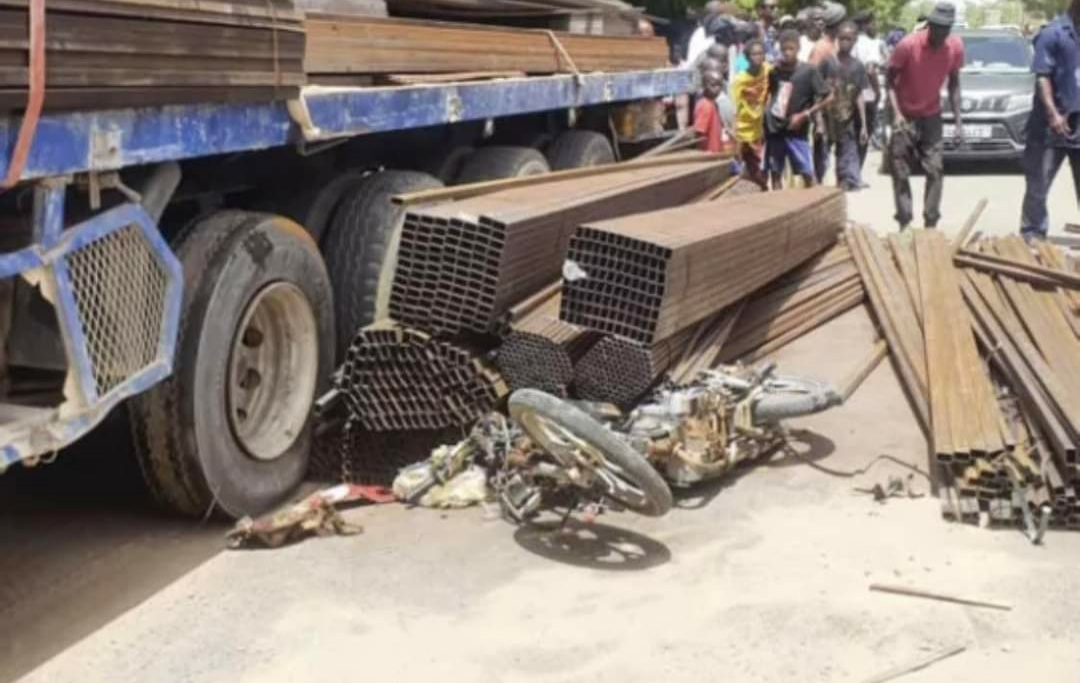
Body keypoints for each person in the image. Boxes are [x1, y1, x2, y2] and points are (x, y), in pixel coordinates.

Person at [886, 2, 964, 230]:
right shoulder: (907, 45)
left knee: (935, 169)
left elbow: (955, 84)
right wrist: (897, 114)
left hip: (931, 115)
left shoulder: (955, 47)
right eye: (937, 28)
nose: (941, 34)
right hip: (905, 115)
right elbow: (889, 81)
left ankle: (931, 222)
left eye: (946, 30)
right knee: (900, 170)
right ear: (930, 26)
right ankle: (904, 221)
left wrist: (958, 122)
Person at [1019, 0, 1080, 241]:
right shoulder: (1052, 34)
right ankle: (1033, 233)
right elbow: (1042, 77)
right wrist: (1053, 114)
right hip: (1048, 127)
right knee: (1038, 185)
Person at [765, 29, 833, 189]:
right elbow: (772, 95)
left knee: (807, 173)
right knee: (775, 174)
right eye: (784, 49)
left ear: (798, 49)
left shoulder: (808, 71)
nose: (787, 53)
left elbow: (829, 96)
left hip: (797, 131)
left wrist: (806, 114)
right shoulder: (775, 72)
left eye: (791, 49)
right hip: (775, 129)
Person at [829, 22, 870, 190]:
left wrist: (864, 125)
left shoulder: (857, 66)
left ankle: (846, 179)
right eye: (842, 38)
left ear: (855, 41)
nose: (845, 42)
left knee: (847, 148)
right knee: (827, 150)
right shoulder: (829, 63)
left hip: (848, 116)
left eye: (849, 39)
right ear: (837, 39)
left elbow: (859, 95)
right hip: (829, 116)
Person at [809, 2, 845, 185]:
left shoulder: (838, 45)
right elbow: (813, 82)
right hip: (823, 108)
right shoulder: (821, 48)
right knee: (822, 153)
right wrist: (818, 120)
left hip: (838, 109)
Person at [732, 39, 772, 187]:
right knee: (746, 166)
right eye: (754, 54)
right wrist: (735, 133)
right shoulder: (740, 80)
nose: (758, 57)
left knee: (762, 165)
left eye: (761, 54)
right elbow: (735, 108)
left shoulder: (768, 70)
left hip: (761, 125)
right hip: (744, 128)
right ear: (747, 57)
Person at [853, 10, 884, 174]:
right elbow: (871, 70)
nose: (875, 26)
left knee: (851, 135)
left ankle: (849, 173)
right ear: (866, 25)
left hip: (849, 96)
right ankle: (856, 173)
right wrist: (878, 91)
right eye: (873, 23)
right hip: (867, 96)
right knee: (864, 135)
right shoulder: (871, 44)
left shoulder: (848, 41)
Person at [695, 70, 736, 155]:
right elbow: (700, 133)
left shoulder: (713, 103)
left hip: (716, 151)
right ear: (704, 85)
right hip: (709, 154)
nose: (717, 88)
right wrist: (704, 152)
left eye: (719, 85)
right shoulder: (705, 105)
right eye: (713, 85)